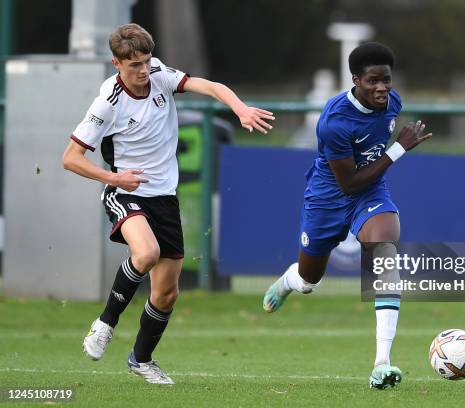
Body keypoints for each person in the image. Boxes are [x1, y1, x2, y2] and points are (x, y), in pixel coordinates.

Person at [63, 23, 274, 385]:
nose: (143, 70)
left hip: (164, 196)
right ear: (117, 63)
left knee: (166, 293)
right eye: (135, 65)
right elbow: (71, 158)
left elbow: (209, 86)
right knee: (144, 254)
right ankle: (105, 324)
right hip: (125, 191)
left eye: (146, 61)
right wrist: (115, 179)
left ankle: (141, 359)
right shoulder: (107, 104)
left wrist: (239, 108)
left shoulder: (159, 74)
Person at [262, 42, 431, 389]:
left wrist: (391, 151)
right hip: (329, 198)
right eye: (373, 81)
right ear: (355, 80)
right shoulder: (334, 122)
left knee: (385, 247)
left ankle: (381, 363)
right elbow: (349, 182)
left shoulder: (392, 102)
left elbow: (366, 176)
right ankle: (292, 280)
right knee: (311, 281)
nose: (382, 88)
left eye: (386, 80)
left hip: (369, 191)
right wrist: (400, 148)